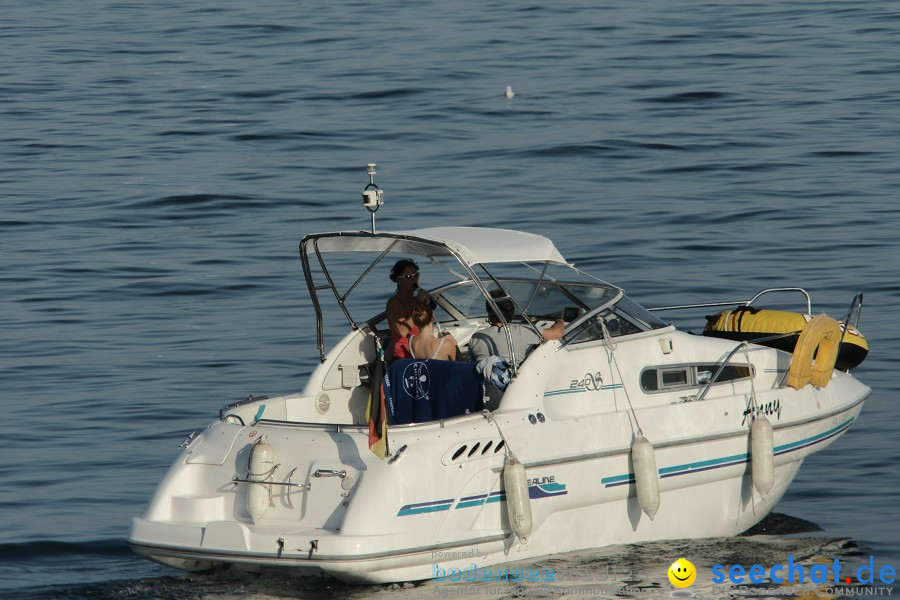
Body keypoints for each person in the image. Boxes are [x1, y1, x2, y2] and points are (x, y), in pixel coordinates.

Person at [468, 289, 565, 368]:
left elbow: (470, 363)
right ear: (512, 312)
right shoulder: (522, 331)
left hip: (483, 387)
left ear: (489, 313)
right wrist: (560, 321)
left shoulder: (477, 337)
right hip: (510, 387)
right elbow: (557, 332)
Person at [386, 259, 431, 359]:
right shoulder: (394, 303)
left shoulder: (415, 300)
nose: (414, 279)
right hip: (404, 355)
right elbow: (402, 331)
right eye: (408, 277)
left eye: (416, 275)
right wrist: (418, 306)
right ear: (398, 280)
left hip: (421, 351)